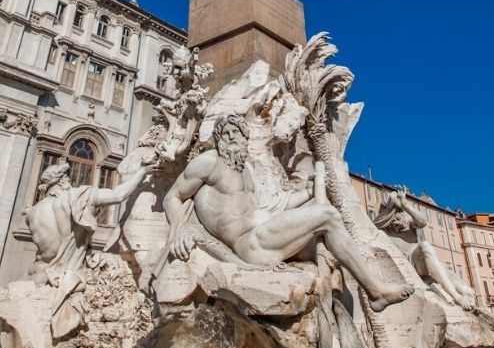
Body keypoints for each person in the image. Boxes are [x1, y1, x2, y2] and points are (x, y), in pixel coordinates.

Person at [163, 113, 414, 312]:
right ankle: (376, 291)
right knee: (327, 216)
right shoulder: (210, 162)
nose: (230, 137)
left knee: (322, 242)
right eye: (225, 133)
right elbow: (172, 197)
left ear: (244, 137)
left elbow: (275, 208)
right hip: (250, 244)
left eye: (235, 132)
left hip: (264, 233)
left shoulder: (247, 171)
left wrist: (307, 191)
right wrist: (181, 230)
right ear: (218, 139)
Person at [26, 160, 155, 338]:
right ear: (63, 181)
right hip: (68, 279)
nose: (70, 181)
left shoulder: (32, 212)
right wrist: (142, 171)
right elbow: (117, 195)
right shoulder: (78, 196)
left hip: (38, 279)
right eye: (68, 178)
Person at [374, 186, 475, 311]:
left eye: (399, 211)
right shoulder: (380, 228)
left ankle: (459, 294)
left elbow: (422, 222)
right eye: (395, 208)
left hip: (419, 259)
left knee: (427, 249)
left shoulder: (407, 220)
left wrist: (406, 205)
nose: (397, 215)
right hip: (404, 266)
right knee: (429, 252)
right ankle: (457, 296)